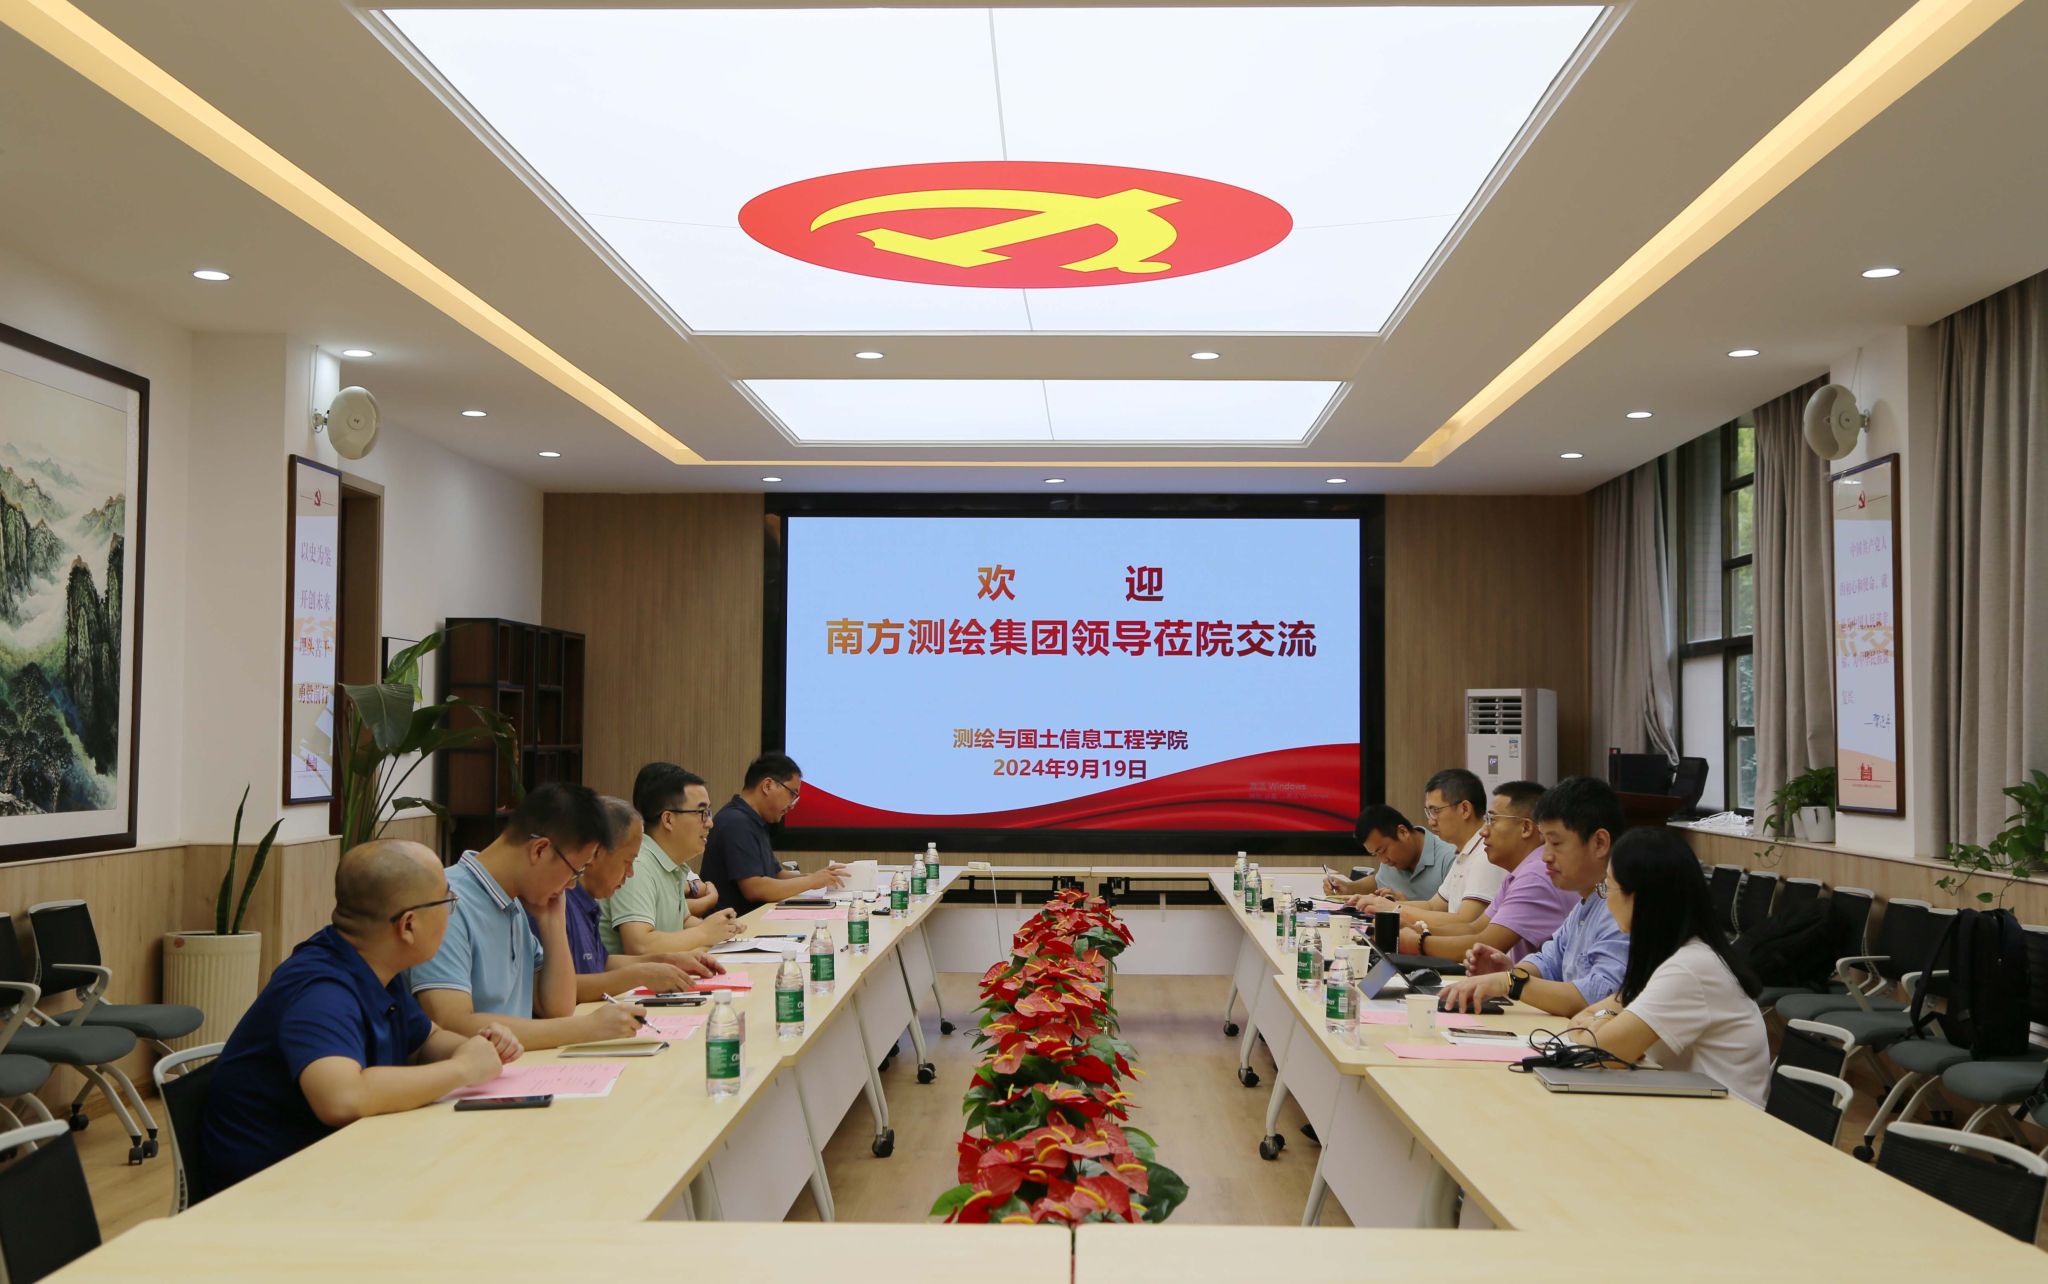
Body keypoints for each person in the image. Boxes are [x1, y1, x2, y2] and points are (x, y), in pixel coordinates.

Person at [201, 840, 523, 1188]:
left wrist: (475, 1048)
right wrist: (462, 1069)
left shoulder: (374, 963)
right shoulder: (321, 991)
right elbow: (342, 1098)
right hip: (270, 1189)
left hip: (340, 1164)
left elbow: (425, 1039)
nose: (450, 913)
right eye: (448, 902)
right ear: (408, 925)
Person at [409, 782, 645, 1049]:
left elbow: (557, 1008)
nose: (572, 885)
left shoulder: (516, 903)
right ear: (540, 849)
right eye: (576, 871)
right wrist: (588, 1027)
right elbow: (452, 1024)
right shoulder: (448, 901)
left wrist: (553, 924)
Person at [1565, 828, 1771, 1107]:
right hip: (1692, 1107)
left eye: (1608, 886)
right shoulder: (1671, 956)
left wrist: (1603, 1027)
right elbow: (1588, 1022)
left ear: (1638, 897)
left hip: (1727, 1122)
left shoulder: (1690, 968)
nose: (1606, 898)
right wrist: (1605, 1025)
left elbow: (1597, 1053)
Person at [1439, 776, 1629, 1017]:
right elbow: (1548, 960)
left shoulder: (1623, 908)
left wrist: (1511, 983)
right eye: (1545, 843)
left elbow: (1599, 996)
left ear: (1599, 843)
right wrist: (1512, 973)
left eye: (1556, 843)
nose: (1545, 856)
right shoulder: (1587, 901)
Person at [537, 795, 724, 1004]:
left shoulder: (587, 901)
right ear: (594, 853)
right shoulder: (555, 900)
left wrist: (667, 961)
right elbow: (558, 991)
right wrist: (640, 975)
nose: (631, 873)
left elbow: (601, 963)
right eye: (627, 861)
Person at [1384, 779, 1578, 963]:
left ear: (1526, 828)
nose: (1484, 831)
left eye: (1492, 820)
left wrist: (1418, 942)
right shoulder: (1517, 873)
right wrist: (1418, 930)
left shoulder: (1535, 874)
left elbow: (1486, 943)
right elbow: (1475, 928)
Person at [602, 763, 742, 956]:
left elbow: (681, 922)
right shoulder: (638, 865)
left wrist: (721, 928)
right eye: (702, 813)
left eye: (709, 812)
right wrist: (704, 932)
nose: (710, 823)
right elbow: (639, 945)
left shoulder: (671, 863)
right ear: (668, 819)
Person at [1348, 768, 1502, 931]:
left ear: (1464, 809)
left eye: (1435, 811)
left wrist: (1393, 909)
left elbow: (1466, 922)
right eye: (1428, 812)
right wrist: (1378, 903)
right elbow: (1433, 906)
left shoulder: (1486, 855)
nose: (1431, 821)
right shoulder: (1465, 853)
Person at [700, 753, 848, 918]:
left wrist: (817, 877)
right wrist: (811, 881)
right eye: (792, 794)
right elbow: (755, 888)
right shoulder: (736, 822)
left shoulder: (755, 820)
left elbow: (776, 874)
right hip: (733, 926)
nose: (792, 805)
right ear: (768, 786)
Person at [1320, 804, 1454, 903]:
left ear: (1403, 832)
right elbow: (1379, 881)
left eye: (1382, 851)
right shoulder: (1392, 859)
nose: (1383, 861)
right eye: (1375, 854)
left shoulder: (1450, 858)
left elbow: (1457, 920)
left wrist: (1407, 907)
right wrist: (1349, 888)